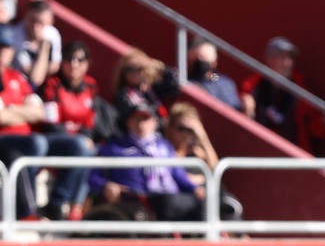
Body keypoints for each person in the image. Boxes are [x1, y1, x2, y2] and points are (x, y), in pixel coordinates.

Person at [88, 93, 206, 223]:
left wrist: (195, 189)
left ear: (154, 123)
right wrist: (106, 186)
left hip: (168, 195)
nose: (141, 124)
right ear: (129, 122)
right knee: (166, 203)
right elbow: (92, 176)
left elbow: (178, 175)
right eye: (136, 119)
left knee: (206, 199)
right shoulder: (114, 147)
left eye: (145, 119)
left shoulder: (164, 147)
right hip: (135, 199)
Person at [37, 40, 98, 219]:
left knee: (90, 150)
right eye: (69, 58)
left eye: (79, 60)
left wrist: (84, 137)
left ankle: (75, 209)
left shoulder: (90, 86)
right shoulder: (52, 84)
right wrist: (78, 139)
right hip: (52, 140)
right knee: (82, 147)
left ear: (87, 64)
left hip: (78, 142)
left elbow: (90, 120)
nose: (74, 64)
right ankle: (57, 202)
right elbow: (51, 122)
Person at [239, 37, 325, 153]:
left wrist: (324, 122)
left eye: (290, 58)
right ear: (269, 59)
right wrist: (245, 106)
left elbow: (318, 130)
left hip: (291, 156)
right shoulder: (253, 87)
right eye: (282, 57)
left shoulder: (300, 90)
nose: (287, 63)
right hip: (260, 152)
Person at [0, 24, 50, 217]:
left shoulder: (17, 77)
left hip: (23, 137)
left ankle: (54, 206)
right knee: (34, 145)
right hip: (4, 140)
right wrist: (23, 112)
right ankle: (26, 211)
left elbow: (39, 113)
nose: (3, 52)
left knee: (78, 146)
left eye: (6, 47)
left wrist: (11, 110)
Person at [186, 37, 242, 110]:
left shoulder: (221, 81)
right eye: (195, 58)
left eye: (203, 57)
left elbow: (233, 108)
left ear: (214, 62)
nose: (199, 61)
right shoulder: (184, 81)